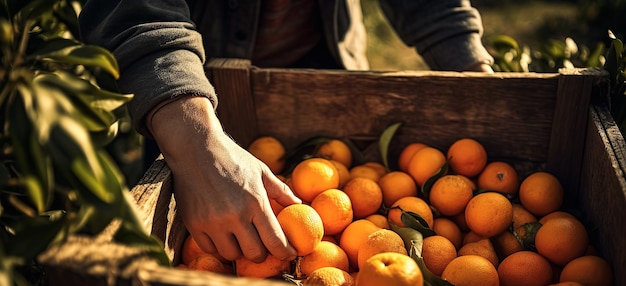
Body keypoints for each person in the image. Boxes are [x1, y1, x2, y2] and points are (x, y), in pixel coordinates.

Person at [78, 0, 494, 264]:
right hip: (189, 90)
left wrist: (475, 73)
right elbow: (134, 10)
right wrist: (197, 145)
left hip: (326, 64)